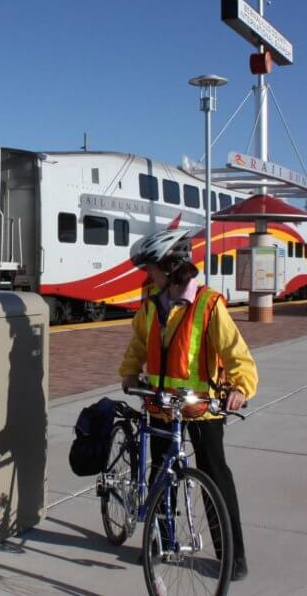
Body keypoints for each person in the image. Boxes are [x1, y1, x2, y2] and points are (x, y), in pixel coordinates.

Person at [118, 228, 258, 581]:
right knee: (159, 475)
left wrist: (240, 386)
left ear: (171, 266)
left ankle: (232, 554)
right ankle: (158, 541)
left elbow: (236, 353)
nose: (148, 275)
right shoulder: (152, 304)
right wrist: (130, 372)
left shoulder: (209, 305)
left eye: (152, 268)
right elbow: (139, 343)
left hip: (202, 408)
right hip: (161, 404)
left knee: (215, 474)